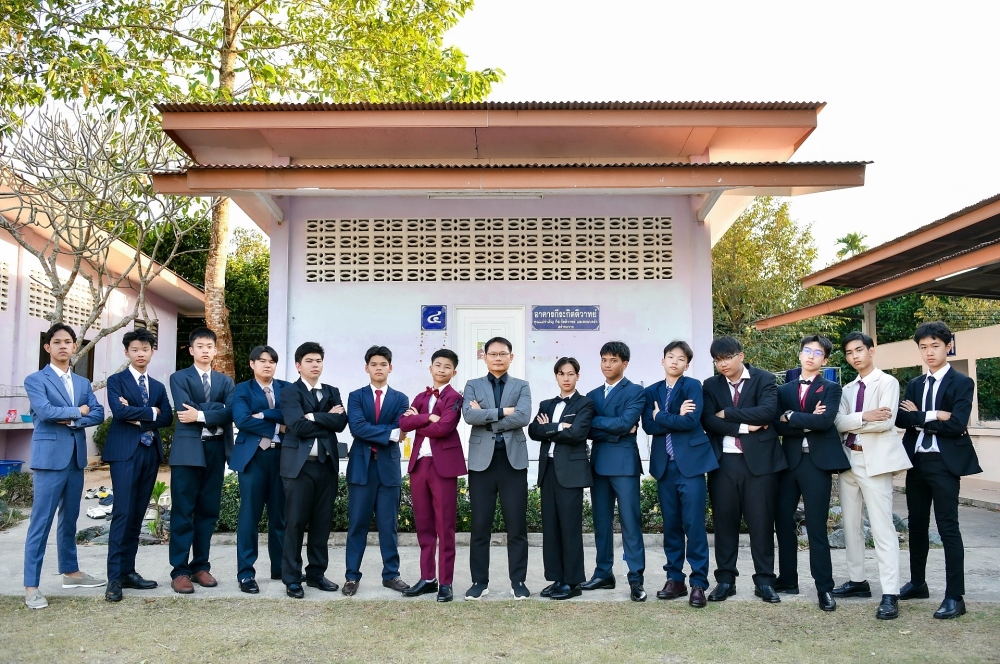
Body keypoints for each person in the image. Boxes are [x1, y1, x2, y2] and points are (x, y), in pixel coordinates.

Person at [895, 321, 982, 619]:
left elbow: (956, 424)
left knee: (948, 528)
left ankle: (955, 597)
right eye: (923, 347)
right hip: (917, 461)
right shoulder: (915, 384)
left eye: (935, 346)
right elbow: (901, 420)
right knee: (917, 525)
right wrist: (935, 415)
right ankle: (918, 583)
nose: (929, 352)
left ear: (948, 346)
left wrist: (919, 417)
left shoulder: (962, 382)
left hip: (945, 464)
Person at [22, 323, 106, 609]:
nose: (62, 346)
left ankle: (71, 573)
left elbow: (98, 413)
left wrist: (70, 418)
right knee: (41, 521)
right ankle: (31, 586)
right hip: (49, 459)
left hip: (75, 459)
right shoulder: (36, 380)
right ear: (48, 347)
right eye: (56, 342)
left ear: (74, 347)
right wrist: (78, 411)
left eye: (67, 342)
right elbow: (45, 412)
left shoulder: (82, 382)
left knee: (70, 518)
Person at [833, 331, 912, 620]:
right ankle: (858, 581)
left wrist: (852, 422)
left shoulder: (887, 382)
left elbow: (886, 422)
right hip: (848, 460)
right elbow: (837, 422)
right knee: (851, 524)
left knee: (882, 527)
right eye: (849, 352)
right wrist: (865, 416)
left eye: (858, 350)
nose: (854, 356)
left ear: (871, 350)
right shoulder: (847, 389)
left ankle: (890, 592)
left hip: (875, 462)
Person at [701, 335, 785, 603]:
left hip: (760, 463)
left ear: (741, 356)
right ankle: (725, 580)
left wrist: (727, 412)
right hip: (723, 462)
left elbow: (767, 412)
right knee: (724, 522)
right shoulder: (710, 385)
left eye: (727, 358)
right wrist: (745, 426)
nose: (722, 364)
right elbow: (708, 421)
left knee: (761, 522)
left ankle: (765, 581)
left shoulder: (764, 379)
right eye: (717, 360)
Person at [773, 335, 847, 612]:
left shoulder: (831, 388)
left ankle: (824, 588)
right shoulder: (783, 390)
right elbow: (777, 425)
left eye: (817, 353)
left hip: (817, 464)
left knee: (816, 527)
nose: (811, 356)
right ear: (799, 354)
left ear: (824, 359)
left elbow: (825, 421)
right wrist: (807, 420)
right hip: (788, 463)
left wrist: (792, 416)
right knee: (783, 521)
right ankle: (788, 579)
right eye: (807, 350)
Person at [640, 340, 717, 609]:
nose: (675, 361)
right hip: (665, 467)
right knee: (671, 524)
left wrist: (662, 415)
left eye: (681, 358)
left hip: (691, 466)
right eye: (670, 357)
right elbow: (648, 426)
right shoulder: (651, 391)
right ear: (663, 360)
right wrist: (673, 415)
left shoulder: (693, 386)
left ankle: (698, 583)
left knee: (694, 524)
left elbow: (691, 421)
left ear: (687, 364)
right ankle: (675, 579)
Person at [103, 327, 173, 602]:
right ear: (127, 352)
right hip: (124, 453)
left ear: (152, 351)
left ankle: (128, 572)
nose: (140, 353)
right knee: (122, 512)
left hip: (149, 453)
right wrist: (151, 411)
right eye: (135, 349)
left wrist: (141, 416)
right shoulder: (116, 381)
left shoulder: (157, 386)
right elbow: (119, 412)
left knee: (137, 514)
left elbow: (166, 417)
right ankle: (114, 578)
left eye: (145, 349)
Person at [462, 336, 532, 600]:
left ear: (511, 357)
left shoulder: (522, 385)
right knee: (480, 525)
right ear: (485, 357)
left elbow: (524, 416)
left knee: (517, 525)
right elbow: (469, 416)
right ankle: (479, 581)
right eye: (493, 354)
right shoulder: (473, 384)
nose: (498, 358)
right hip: (482, 463)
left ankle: (518, 581)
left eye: (503, 354)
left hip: (513, 462)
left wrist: (488, 417)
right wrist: (505, 412)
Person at [168, 327, 235, 594]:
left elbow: (230, 413)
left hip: (216, 450)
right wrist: (216, 409)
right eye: (200, 346)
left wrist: (200, 414)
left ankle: (200, 567)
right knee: (183, 511)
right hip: (187, 451)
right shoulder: (179, 377)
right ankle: (179, 571)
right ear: (191, 350)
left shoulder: (225, 382)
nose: (205, 350)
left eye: (209, 346)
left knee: (208, 512)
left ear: (215, 350)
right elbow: (183, 410)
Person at [279, 341, 347, 599]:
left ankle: (317, 574)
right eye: (309, 361)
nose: (315, 365)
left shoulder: (332, 391)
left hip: (326, 466)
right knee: (295, 523)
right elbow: (296, 427)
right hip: (299, 468)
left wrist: (312, 417)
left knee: (322, 523)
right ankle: (292, 578)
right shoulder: (290, 392)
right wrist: (325, 417)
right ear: (298, 366)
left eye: (318, 360)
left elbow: (340, 423)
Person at [399, 349, 466, 603]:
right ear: (430, 368)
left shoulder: (455, 397)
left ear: (453, 372)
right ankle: (428, 578)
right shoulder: (420, 397)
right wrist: (427, 416)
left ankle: (445, 582)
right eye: (437, 365)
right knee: (424, 524)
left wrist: (418, 422)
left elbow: (445, 427)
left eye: (447, 366)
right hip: (419, 465)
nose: (441, 369)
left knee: (445, 526)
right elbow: (403, 424)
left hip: (443, 466)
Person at [583, 341, 648, 602]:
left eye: (613, 360)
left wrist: (605, 425)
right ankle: (603, 573)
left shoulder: (635, 391)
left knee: (630, 522)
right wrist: (616, 430)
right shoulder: (592, 395)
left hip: (624, 465)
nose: (607, 365)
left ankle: (636, 578)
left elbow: (626, 423)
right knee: (601, 522)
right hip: (599, 464)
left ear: (625, 363)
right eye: (604, 360)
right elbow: (586, 429)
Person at [344, 346, 411, 596]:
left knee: (388, 525)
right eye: (374, 364)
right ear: (367, 368)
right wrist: (390, 433)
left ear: (390, 367)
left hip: (388, 469)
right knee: (357, 524)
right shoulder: (356, 396)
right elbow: (357, 428)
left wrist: (387, 431)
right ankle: (352, 577)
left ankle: (391, 575)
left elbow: (400, 428)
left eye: (383, 364)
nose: (379, 368)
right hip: (361, 468)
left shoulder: (401, 399)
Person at [528, 357, 595, 601]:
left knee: (570, 527)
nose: (566, 378)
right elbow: (533, 431)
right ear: (556, 376)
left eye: (570, 374)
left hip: (571, 473)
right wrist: (559, 426)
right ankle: (557, 578)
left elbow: (577, 433)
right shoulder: (546, 404)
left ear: (577, 376)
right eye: (561, 374)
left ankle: (573, 581)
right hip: (548, 471)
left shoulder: (585, 403)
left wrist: (550, 429)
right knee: (551, 528)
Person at [229, 345, 290, 594]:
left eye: (272, 361)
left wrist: (263, 414)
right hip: (253, 459)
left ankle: (281, 568)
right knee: (249, 517)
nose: (267, 365)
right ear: (252, 364)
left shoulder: (286, 388)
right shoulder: (242, 389)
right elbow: (242, 420)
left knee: (280, 517)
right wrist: (277, 427)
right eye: (262, 361)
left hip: (281, 457)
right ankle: (246, 574)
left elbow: (290, 416)